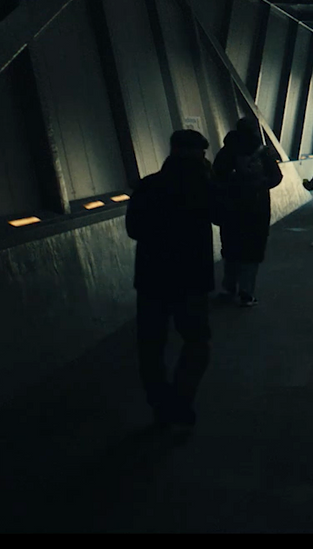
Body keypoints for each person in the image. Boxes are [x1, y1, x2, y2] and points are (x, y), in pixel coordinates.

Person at [125, 128, 224, 428]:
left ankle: (160, 403)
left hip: (152, 278)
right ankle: (181, 402)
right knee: (196, 341)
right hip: (191, 279)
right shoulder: (203, 187)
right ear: (199, 154)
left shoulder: (148, 186)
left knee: (151, 345)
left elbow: (134, 230)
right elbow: (223, 215)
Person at [212, 116, 284, 307]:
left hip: (231, 210)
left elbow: (216, 177)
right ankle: (246, 292)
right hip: (257, 209)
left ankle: (229, 288)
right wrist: (261, 185)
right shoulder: (263, 153)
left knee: (231, 249)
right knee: (252, 252)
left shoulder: (226, 152)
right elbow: (276, 177)